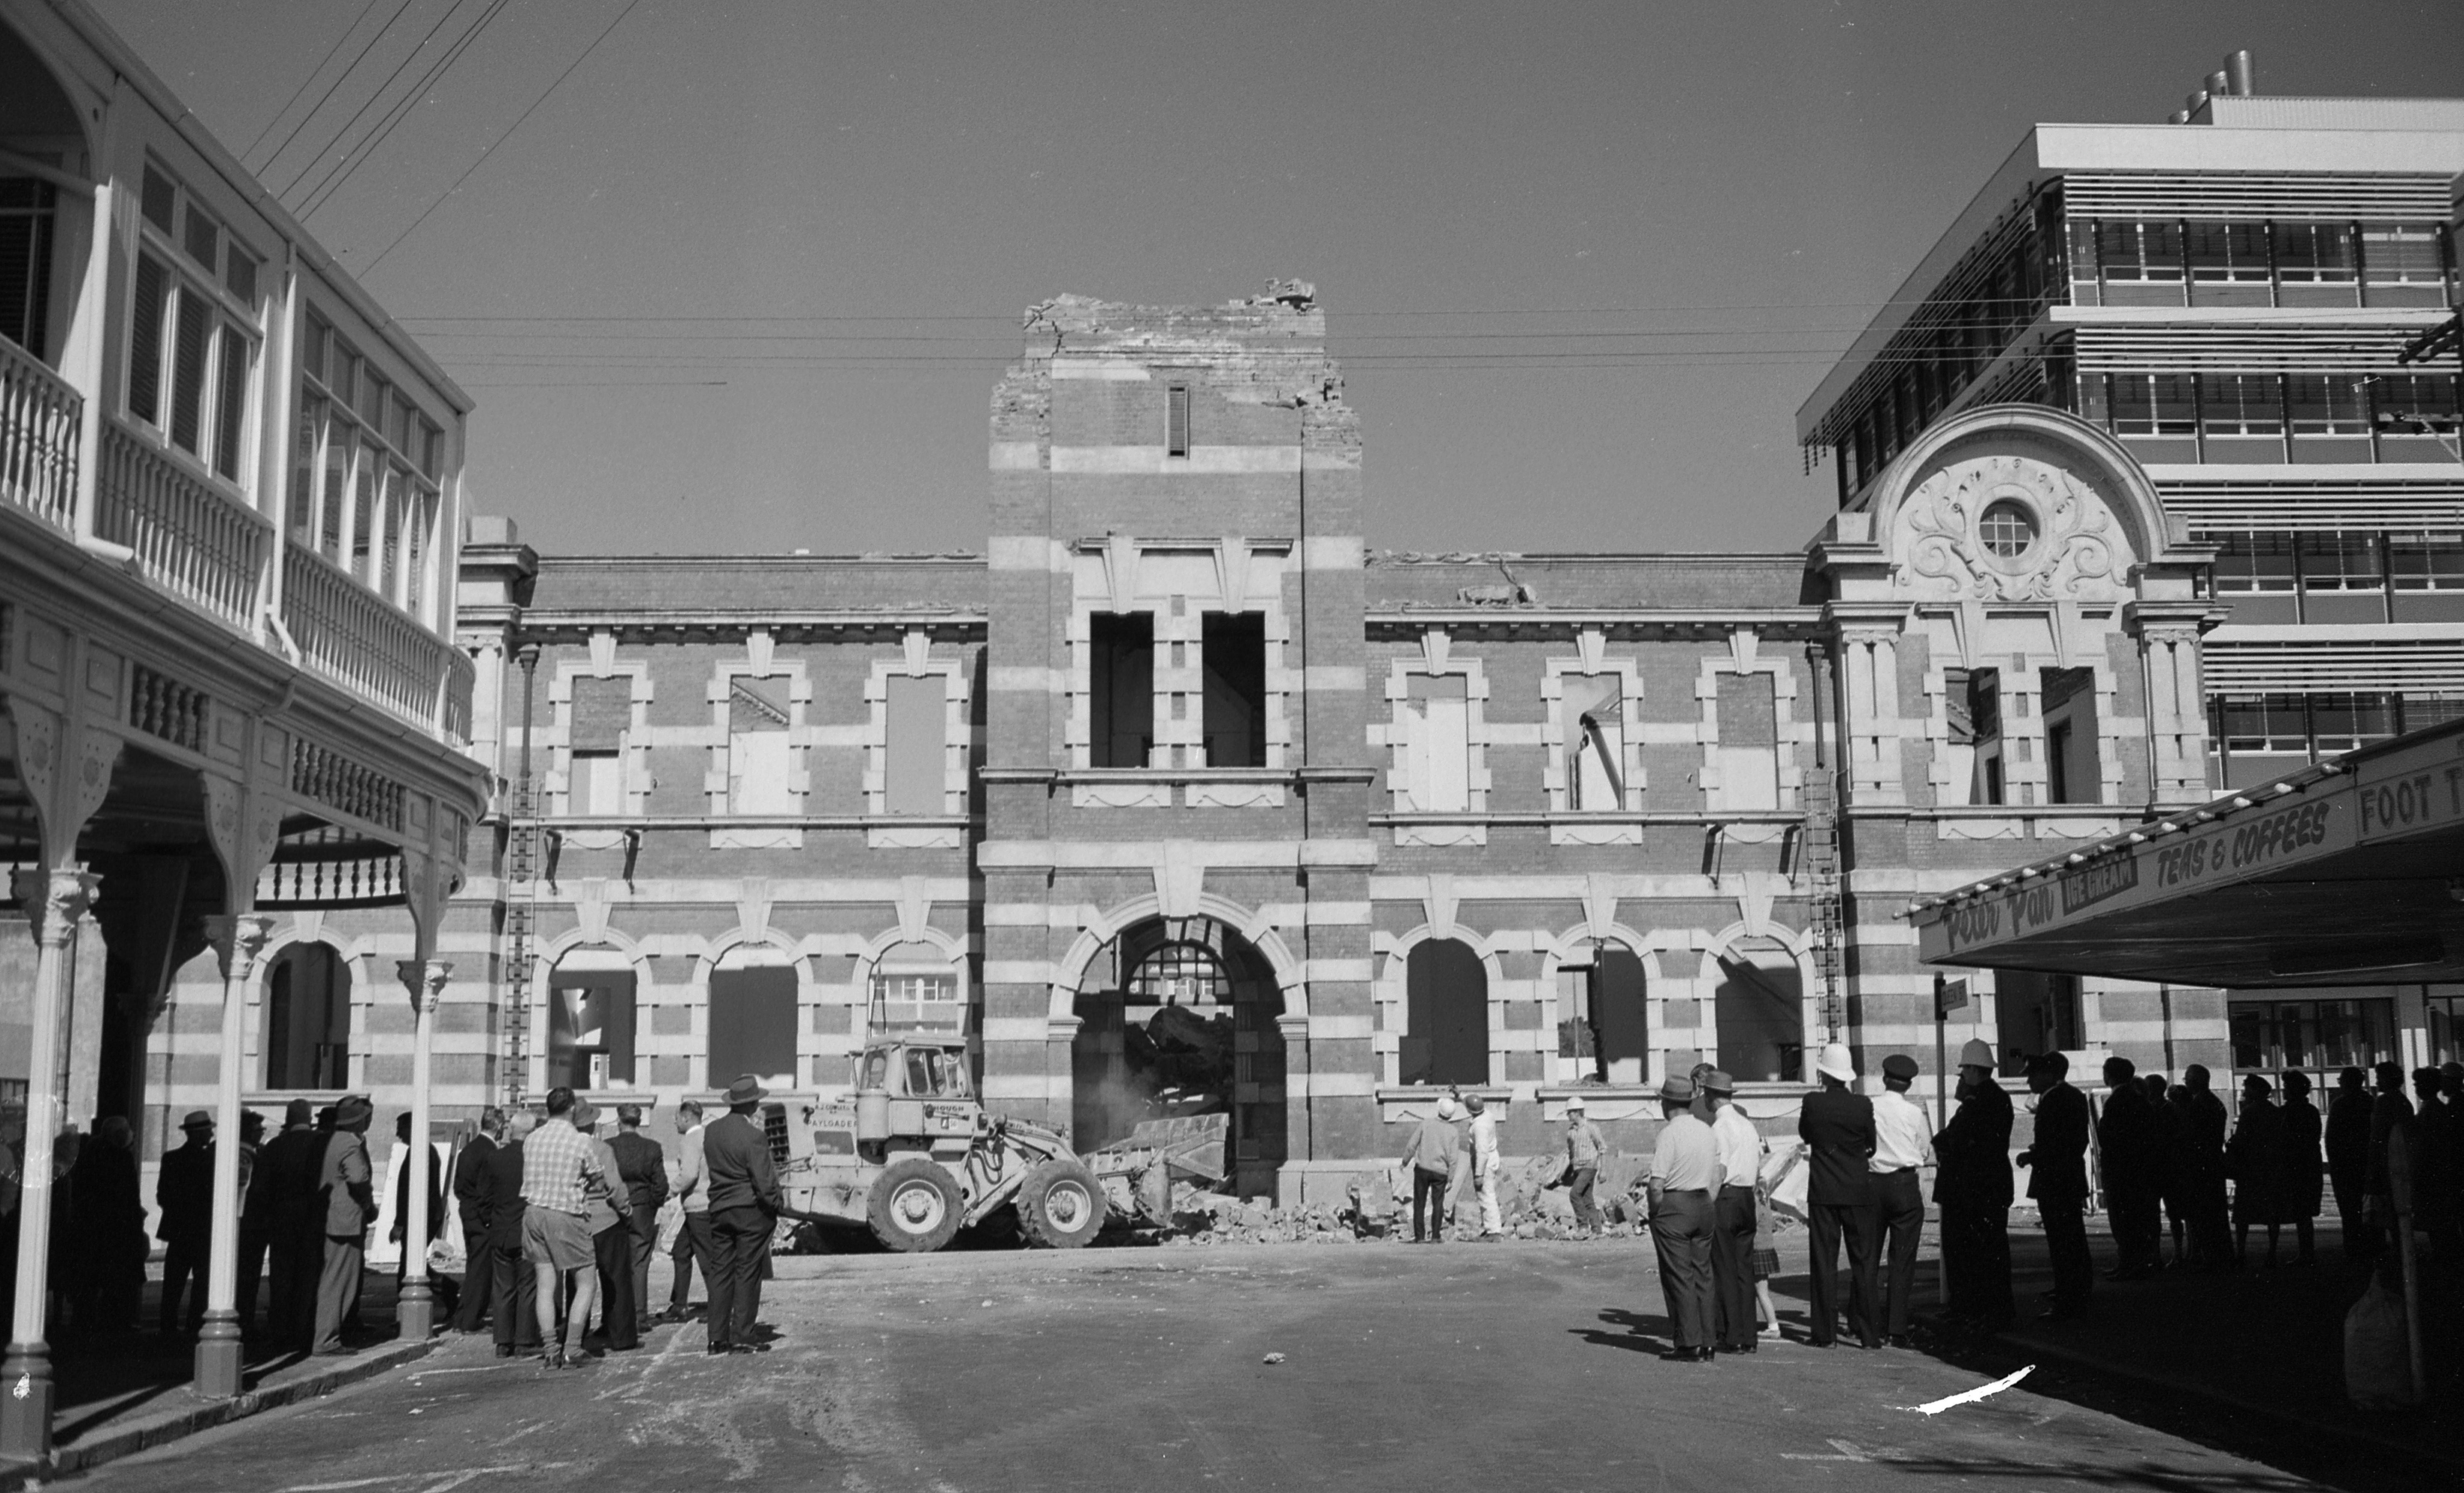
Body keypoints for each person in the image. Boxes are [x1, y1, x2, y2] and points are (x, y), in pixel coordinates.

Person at [1797, 1042, 1880, 1349]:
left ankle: (1825, 1334)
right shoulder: (1863, 1105)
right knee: (1864, 1263)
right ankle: (1871, 1335)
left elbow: (1806, 1135)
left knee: (1824, 1263)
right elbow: (1873, 1144)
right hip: (1858, 1190)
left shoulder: (1812, 1103)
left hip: (1823, 1190)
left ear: (1823, 1073)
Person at [520, 1087, 610, 1369]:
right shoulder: (581, 1140)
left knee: (546, 1284)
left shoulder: (532, 1139)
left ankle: (550, 1349)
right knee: (586, 1281)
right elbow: (597, 1179)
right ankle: (573, 1348)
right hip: (566, 1213)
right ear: (572, 1109)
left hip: (534, 1213)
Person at [1932, 1038, 2013, 1330]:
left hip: (1974, 1189)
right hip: (1982, 1188)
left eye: (1964, 1069)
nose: (1962, 1076)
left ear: (1974, 1070)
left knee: (1973, 1253)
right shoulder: (1988, 1099)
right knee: (1980, 1252)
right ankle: (1980, 1307)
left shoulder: (1981, 1101)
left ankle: (1978, 1308)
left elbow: (1955, 1140)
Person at [703, 1075, 786, 1355]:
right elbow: (764, 1182)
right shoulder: (754, 1137)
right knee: (748, 1273)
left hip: (719, 1208)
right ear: (753, 1103)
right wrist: (776, 1205)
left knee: (720, 1273)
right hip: (749, 1210)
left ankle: (716, 1338)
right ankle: (742, 1334)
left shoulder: (712, 1131)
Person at [1647, 1074, 1722, 1362]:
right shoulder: (1706, 1130)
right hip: (1703, 1201)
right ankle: (1709, 1341)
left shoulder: (1669, 1134)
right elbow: (1717, 1174)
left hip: (1675, 1204)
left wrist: (1657, 1211)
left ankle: (1689, 1343)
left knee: (1679, 1276)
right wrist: (1707, 1203)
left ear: (1667, 1103)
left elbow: (1656, 1184)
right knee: (1703, 1274)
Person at [2017, 1052, 2090, 1320]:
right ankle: (2071, 1290)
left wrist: (2032, 1156)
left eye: (2033, 1076)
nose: (2029, 1082)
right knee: (2070, 1239)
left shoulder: (2055, 1100)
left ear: (2049, 1074)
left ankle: (2069, 1299)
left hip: (2055, 1180)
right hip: (2067, 1178)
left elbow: (2056, 1145)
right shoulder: (2071, 1096)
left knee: (2063, 1242)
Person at [1870, 1054, 1931, 1347]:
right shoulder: (1915, 1114)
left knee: (1868, 1256)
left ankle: (1865, 1322)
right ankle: (1896, 1328)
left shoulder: (1870, 1107)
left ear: (1884, 1079)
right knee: (1903, 1259)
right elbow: (1924, 1152)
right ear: (1908, 1085)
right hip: (1905, 1185)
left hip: (1874, 1183)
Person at [312, 1096, 378, 1356]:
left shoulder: (326, 1140)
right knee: (339, 1281)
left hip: (325, 1217)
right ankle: (327, 1339)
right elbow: (358, 1178)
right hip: (344, 1221)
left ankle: (327, 1334)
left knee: (327, 1279)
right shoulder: (350, 1144)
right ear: (360, 1120)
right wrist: (369, 1207)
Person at [71, 1116, 147, 1333]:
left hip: (92, 1227)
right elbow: (129, 1198)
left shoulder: (89, 1156)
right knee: (117, 1278)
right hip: (118, 1229)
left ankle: (86, 1321)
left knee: (92, 1279)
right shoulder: (122, 1159)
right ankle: (115, 1322)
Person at [1703, 1070, 1761, 1353]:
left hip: (1726, 1198)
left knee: (1724, 1268)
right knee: (1744, 1269)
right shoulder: (1747, 1125)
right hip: (1747, 1197)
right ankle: (1749, 1335)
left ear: (1711, 1096)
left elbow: (1720, 1170)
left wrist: (1706, 1205)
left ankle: (1732, 1334)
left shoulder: (1719, 1128)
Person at [257, 1099, 323, 1348]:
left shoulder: (276, 1146)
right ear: (309, 1118)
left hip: (281, 1219)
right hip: (311, 1219)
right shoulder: (318, 1143)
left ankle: (280, 1328)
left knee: (281, 1275)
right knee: (307, 1275)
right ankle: (302, 1327)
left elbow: (262, 1186)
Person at [573, 1103, 638, 1354]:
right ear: (592, 1125)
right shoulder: (601, 1149)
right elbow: (616, 1187)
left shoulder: (567, 1149)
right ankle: (621, 1336)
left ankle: (578, 1333)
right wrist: (627, 1211)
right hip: (606, 1219)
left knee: (577, 1282)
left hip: (578, 1220)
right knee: (617, 1280)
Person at [2096, 1056, 2162, 1280]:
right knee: (2136, 1219)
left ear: (2111, 1075)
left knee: (2122, 1221)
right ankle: (2135, 1262)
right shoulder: (2140, 1100)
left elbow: (2107, 1136)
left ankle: (2129, 1264)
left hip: (2120, 1171)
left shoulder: (2116, 1101)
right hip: (2140, 1169)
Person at [483, 1110, 541, 1359]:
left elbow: (484, 1196)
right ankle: (524, 1340)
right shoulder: (535, 1159)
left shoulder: (496, 1158)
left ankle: (503, 1341)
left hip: (501, 1229)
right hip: (526, 1229)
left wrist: (492, 1221)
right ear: (530, 1133)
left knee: (503, 1287)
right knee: (527, 1286)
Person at [609, 1104, 668, 1340]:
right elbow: (661, 1184)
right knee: (640, 1263)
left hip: (615, 1208)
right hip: (643, 1207)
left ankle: (614, 1316)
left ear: (619, 1121)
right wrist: (652, 1204)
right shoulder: (652, 1148)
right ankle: (640, 1315)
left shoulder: (610, 1147)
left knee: (613, 1265)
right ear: (639, 1121)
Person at [155, 1110, 215, 1337]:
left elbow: (162, 1196)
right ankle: (194, 1324)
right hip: (202, 1231)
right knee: (201, 1283)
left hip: (178, 1231)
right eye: (208, 1130)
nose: (211, 1134)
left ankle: (167, 1325)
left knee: (173, 1283)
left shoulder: (171, 1159)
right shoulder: (211, 1160)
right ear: (200, 1133)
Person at [391, 1112, 456, 1319]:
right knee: (414, 1265)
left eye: (401, 1129)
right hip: (422, 1218)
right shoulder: (422, 1151)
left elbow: (412, 1192)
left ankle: (408, 1315)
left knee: (410, 1268)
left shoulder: (422, 1152)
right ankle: (448, 1289)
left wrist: (400, 1223)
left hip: (420, 1219)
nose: (398, 1134)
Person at [2227, 1074, 2289, 1268]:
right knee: (2271, 1213)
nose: (2245, 1092)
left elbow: (2241, 1140)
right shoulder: (2275, 1112)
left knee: (2243, 1215)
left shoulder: (2249, 1112)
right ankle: (2271, 1253)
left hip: (2250, 1169)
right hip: (2270, 1169)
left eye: (2247, 1088)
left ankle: (2242, 1253)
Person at [451, 1110, 503, 1332]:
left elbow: (458, 1186)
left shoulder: (469, 1149)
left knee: (473, 1268)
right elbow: (486, 1189)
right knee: (481, 1271)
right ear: (499, 1127)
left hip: (467, 1212)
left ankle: (462, 1318)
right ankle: (471, 1320)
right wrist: (488, 1218)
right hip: (482, 1218)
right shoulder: (489, 1151)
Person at [2180, 1064, 2232, 1269]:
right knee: (2216, 1214)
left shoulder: (2197, 1105)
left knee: (2201, 1214)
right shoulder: (2216, 1103)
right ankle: (2219, 1255)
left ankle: (2205, 1256)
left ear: (2194, 1082)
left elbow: (2189, 1136)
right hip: (2214, 1162)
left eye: (2188, 1080)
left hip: (2198, 1165)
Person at [664, 1101, 712, 1320]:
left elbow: (689, 1174)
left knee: (707, 1259)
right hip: (702, 1204)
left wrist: (670, 1191)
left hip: (698, 1206)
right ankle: (679, 1304)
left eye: (677, 1118)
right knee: (681, 1252)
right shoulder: (707, 1136)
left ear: (687, 1118)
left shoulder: (690, 1140)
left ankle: (720, 1306)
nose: (675, 1122)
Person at [2323, 1067, 2376, 1260]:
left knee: (2349, 1210)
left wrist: (2334, 1164)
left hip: (2344, 1167)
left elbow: (2331, 1139)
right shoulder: (2370, 1102)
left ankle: (2353, 1247)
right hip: (2364, 1164)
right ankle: (2369, 1246)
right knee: (2368, 1211)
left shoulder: (2340, 1104)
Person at [2277, 1072, 2323, 1266]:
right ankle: (2307, 1252)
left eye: (2287, 1087)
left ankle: (2306, 1253)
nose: (2284, 1090)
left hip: (2296, 1167)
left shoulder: (2288, 1113)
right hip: (2309, 1166)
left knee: (2301, 1212)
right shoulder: (2311, 1111)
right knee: (2304, 1214)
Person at [2143, 1073, 2189, 1267]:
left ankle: (2157, 1254)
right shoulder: (2173, 1109)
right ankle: (2178, 1253)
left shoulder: (2149, 1111)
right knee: (2174, 1215)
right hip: (2171, 1168)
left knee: (2155, 1216)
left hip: (2157, 1168)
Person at [1402, 1095, 1460, 1244]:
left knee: (1419, 1202)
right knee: (1438, 1203)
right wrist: (1451, 1179)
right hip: (1441, 1172)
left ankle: (1420, 1236)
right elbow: (1453, 1159)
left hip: (1422, 1169)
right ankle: (1436, 1236)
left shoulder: (1426, 1124)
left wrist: (1405, 1162)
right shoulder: (1453, 1132)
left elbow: (1412, 1145)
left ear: (1439, 1110)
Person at [234, 1110, 272, 1333]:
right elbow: (245, 1191)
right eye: (259, 1130)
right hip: (250, 1225)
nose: (261, 1134)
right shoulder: (246, 1156)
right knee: (247, 1278)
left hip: (248, 1224)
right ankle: (244, 1324)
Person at [1564, 1095, 1607, 1237]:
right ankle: (1597, 1230)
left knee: (1574, 1194)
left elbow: (1602, 1148)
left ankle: (1583, 1227)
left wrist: (1603, 1170)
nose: (1568, 1115)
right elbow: (1571, 1154)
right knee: (1587, 1199)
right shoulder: (1571, 1132)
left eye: (1570, 1112)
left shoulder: (1591, 1128)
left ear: (1577, 1112)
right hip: (1577, 1168)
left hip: (1590, 1166)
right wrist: (1567, 1173)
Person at [1465, 1093, 1502, 1238]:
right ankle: (1491, 1229)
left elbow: (1482, 1152)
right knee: (1488, 1195)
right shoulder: (1488, 1115)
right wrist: (1460, 1096)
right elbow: (1473, 1105)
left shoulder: (1479, 1127)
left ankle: (1493, 1231)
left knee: (1486, 1196)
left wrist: (1479, 1174)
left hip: (1485, 1163)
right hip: (1493, 1158)